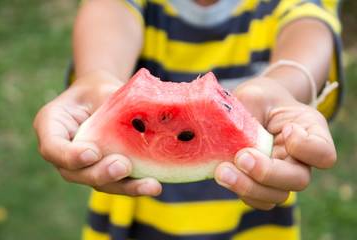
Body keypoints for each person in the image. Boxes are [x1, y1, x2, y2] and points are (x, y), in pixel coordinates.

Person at [34, 0, 344, 239]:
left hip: (255, 224)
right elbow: (110, 12)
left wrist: (281, 88)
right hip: (133, 217)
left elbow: (309, 28)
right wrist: (96, 76)